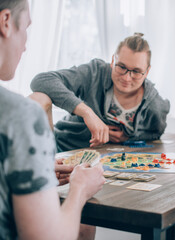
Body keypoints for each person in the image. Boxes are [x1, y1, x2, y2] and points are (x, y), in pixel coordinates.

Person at [0, 0, 105, 239]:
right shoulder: (21, 116)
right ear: (5, 22)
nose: (25, 45)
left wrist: (39, 170)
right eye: (25, 28)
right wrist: (79, 189)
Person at [30, 33, 170, 152]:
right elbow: (41, 80)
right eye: (121, 67)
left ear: (147, 71)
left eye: (136, 71)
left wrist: (128, 138)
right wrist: (87, 112)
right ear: (112, 60)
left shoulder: (156, 105)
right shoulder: (95, 73)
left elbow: (155, 134)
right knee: (38, 97)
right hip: (64, 148)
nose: (127, 77)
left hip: (105, 163)